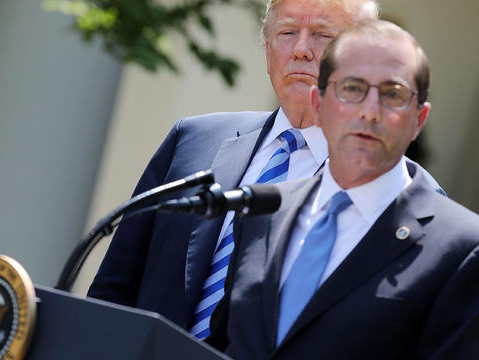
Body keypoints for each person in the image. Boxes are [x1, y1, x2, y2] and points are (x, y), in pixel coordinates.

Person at [87, 0, 440, 339]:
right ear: (268, 50)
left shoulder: (400, 194)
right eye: (287, 33)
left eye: (323, 35)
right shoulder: (194, 140)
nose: (301, 49)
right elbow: (113, 289)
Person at [206, 20, 479, 359]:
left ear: (418, 120)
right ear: (319, 105)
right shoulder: (264, 212)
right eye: (352, 88)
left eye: (392, 94)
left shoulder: (467, 252)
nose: (369, 112)